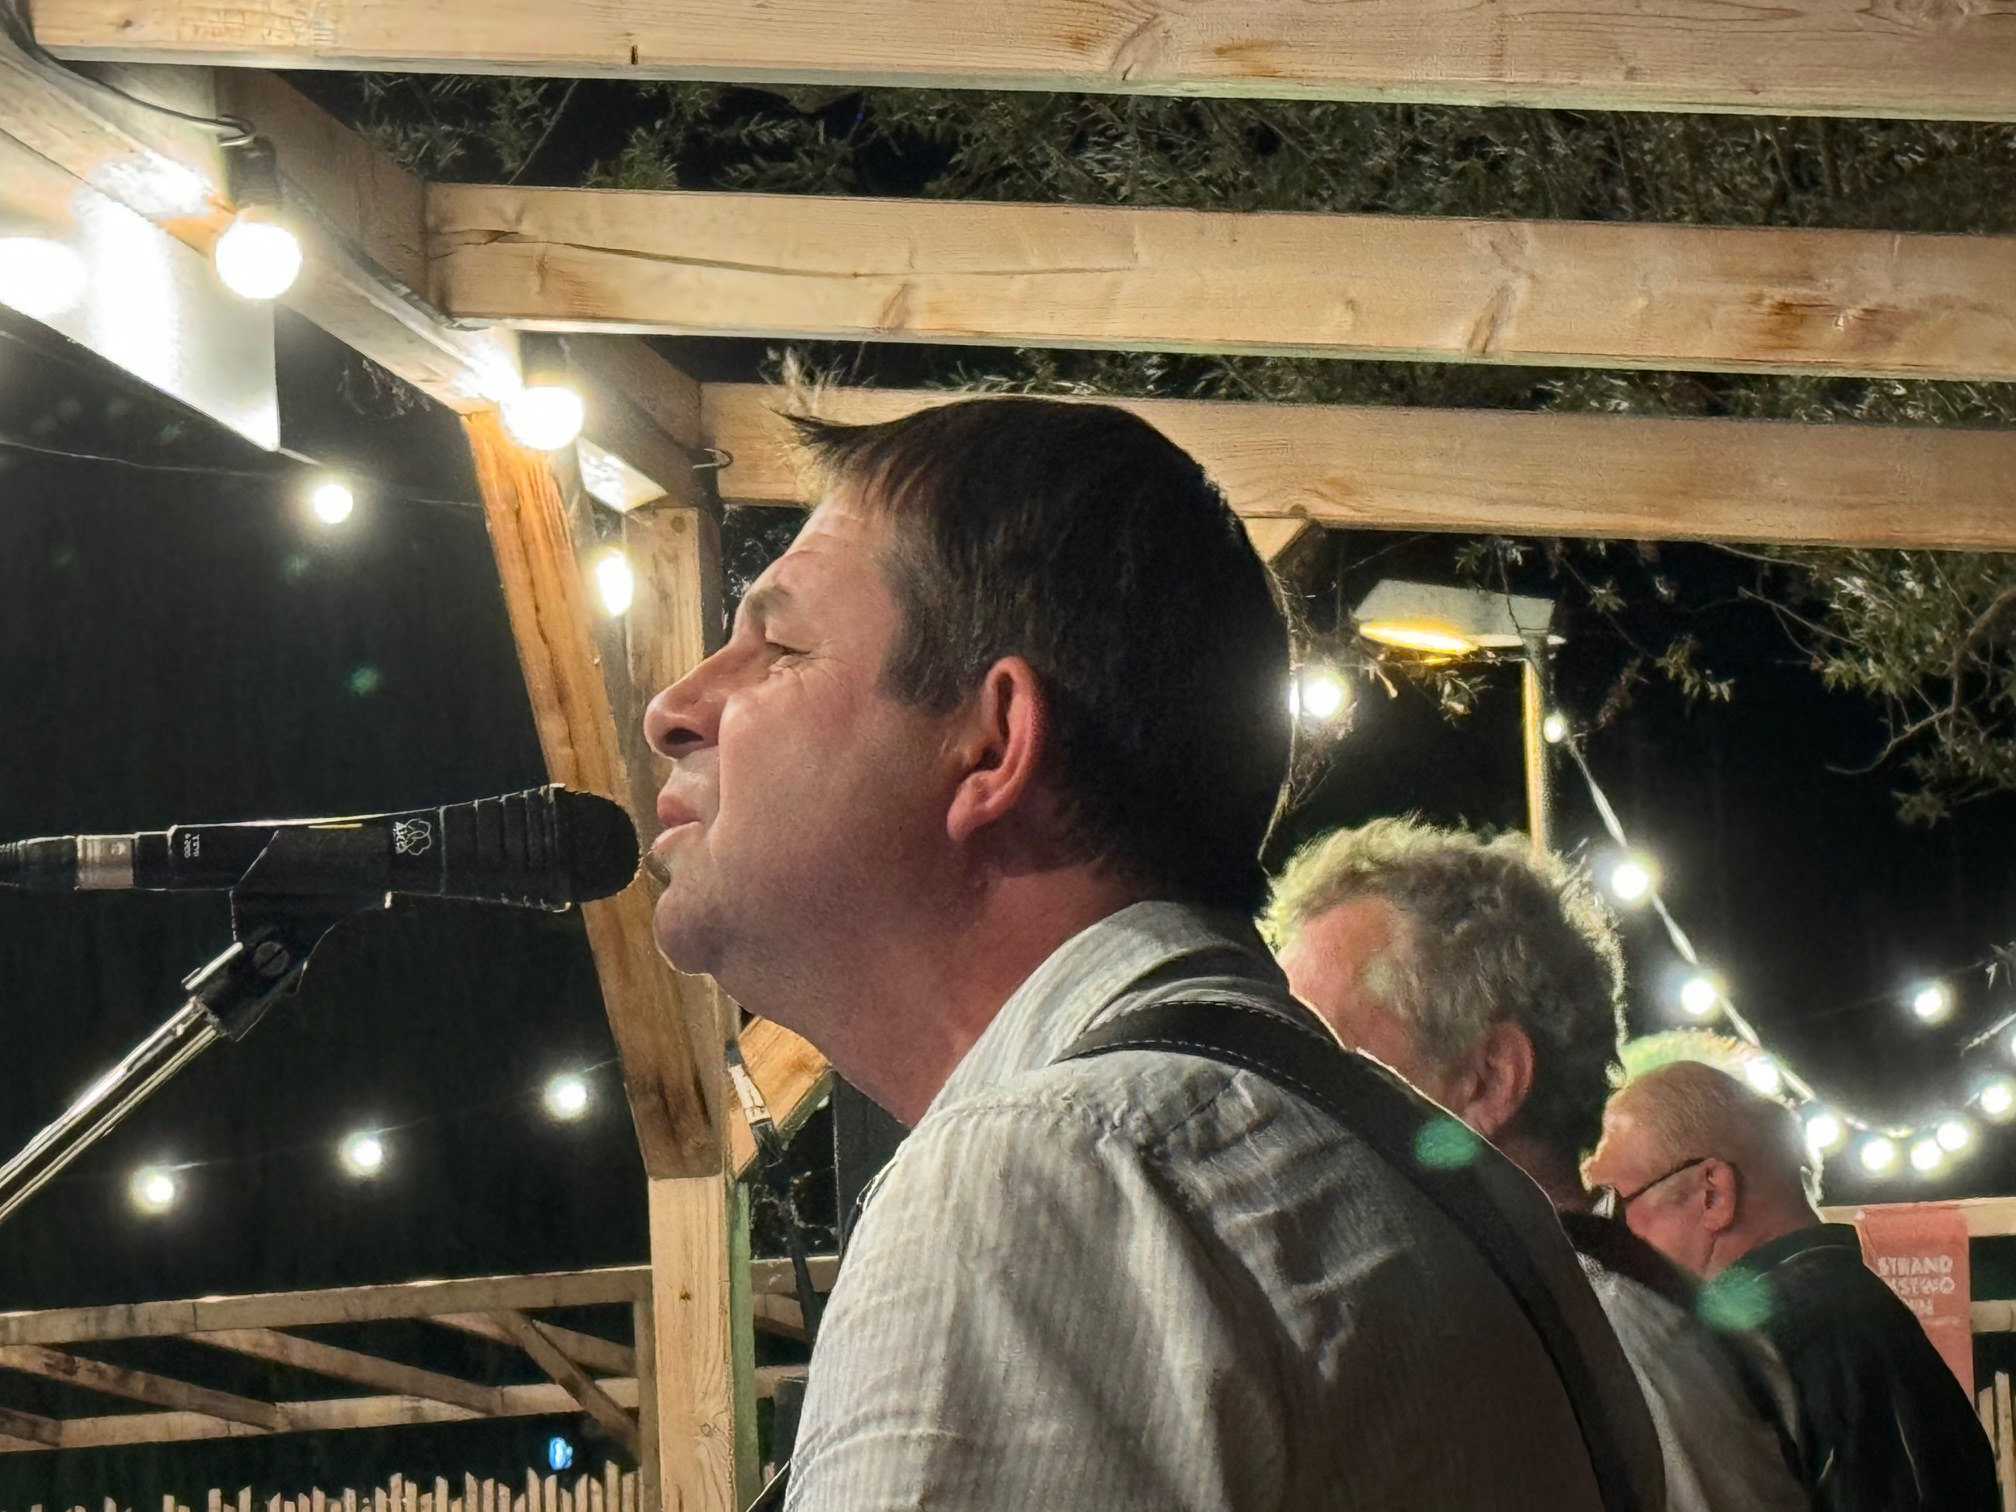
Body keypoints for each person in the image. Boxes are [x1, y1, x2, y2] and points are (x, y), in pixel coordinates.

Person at [642, 397, 1662, 1510]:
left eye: (779, 647)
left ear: (992, 745)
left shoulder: (1052, 1180)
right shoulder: (1438, 1193)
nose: (675, 708)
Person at [1270, 819, 1807, 1512]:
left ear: (1492, 1078)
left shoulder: (1616, 1350)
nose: (1278, 1101)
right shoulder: (1528, 1317)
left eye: (1334, 1060)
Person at [1584, 1056, 2000, 1511]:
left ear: (1712, 1194)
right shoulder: (1845, 1318)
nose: (1608, 1232)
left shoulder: (1802, 1333)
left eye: (1613, 1202)